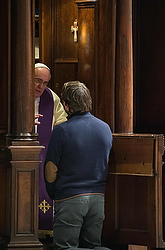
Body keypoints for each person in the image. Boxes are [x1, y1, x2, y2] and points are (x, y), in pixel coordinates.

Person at [44, 81, 113, 250]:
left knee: (65, 247)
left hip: (70, 198)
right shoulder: (105, 128)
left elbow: (50, 169)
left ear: (66, 105)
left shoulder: (61, 131)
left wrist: (54, 193)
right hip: (98, 198)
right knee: (93, 246)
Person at [35, 63, 67, 235]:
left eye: (45, 83)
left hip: (44, 154)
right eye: (37, 80)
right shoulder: (15, 92)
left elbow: (62, 124)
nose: (41, 86)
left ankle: (43, 230)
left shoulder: (51, 98)